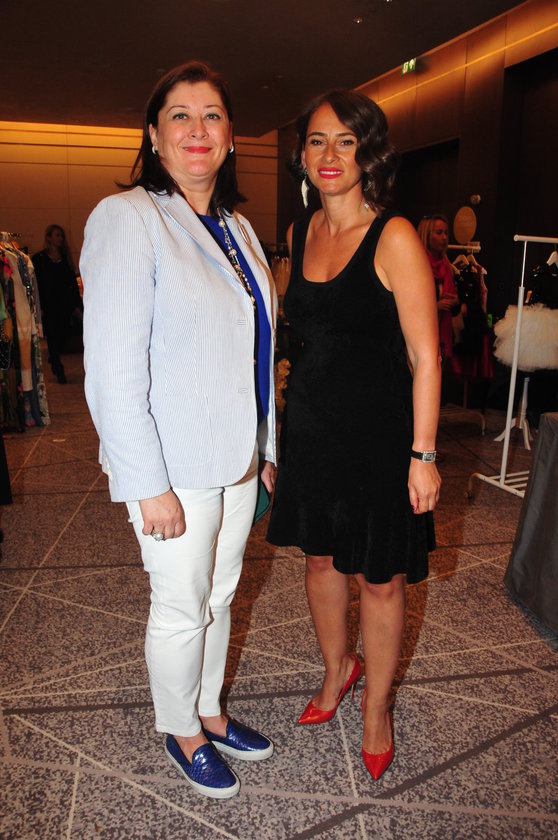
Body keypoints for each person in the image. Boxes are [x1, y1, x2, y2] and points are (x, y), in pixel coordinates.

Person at [80, 61, 277, 799]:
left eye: (212, 115)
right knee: (179, 604)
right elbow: (112, 370)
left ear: (230, 138)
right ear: (155, 137)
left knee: (220, 596)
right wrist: (146, 483)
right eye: (181, 116)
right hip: (172, 464)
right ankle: (180, 729)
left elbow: (258, 349)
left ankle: (209, 710)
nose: (198, 129)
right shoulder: (128, 217)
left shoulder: (238, 227)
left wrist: (266, 449)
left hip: (236, 457)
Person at [267, 90, 441, 781]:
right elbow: (296, 339)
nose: (330, 154)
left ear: (370, 154)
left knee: (379, 577)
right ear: (302, 155)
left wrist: (423, 455)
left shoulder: (393, 236)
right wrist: (276, 437)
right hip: (312, 428)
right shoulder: (298, 231)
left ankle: (376, 706)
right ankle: (338, 668)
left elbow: (425, 356)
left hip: (379, 436)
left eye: (346, 140)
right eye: (317, 140)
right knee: (318, 562)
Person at [32, 224, 83, 383]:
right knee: (53, 336)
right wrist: (38, 305)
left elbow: (71, 282)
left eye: (61, 235)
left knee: (64, 333)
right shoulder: (39, 259)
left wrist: (77, 305)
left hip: (65, 303)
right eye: (57, 235)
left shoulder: (65, 258)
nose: (60, 238)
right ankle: (57, 366)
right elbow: (37, 284)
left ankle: (54, 358)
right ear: (49, 237)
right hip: (49, 304)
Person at [417, 214, 460, 360]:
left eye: (446, 233)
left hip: (442, 337)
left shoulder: (446, 266)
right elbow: (408, 302)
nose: (444, 238)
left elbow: (454, 310)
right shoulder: (418, 263)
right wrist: (435, 306)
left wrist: (454, 301)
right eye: (439, 232)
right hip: (421, 334)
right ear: (426, 234)